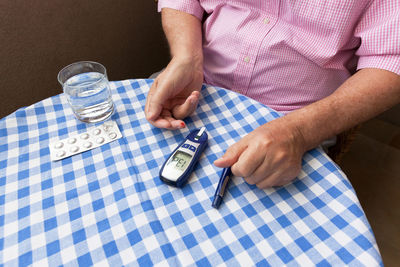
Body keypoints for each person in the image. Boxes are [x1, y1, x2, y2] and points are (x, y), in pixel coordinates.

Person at [145, 1, 400, 189]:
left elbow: (391, 61)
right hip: (197, 86)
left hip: (294, 120)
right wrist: (187, 58)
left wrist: (298, 132)